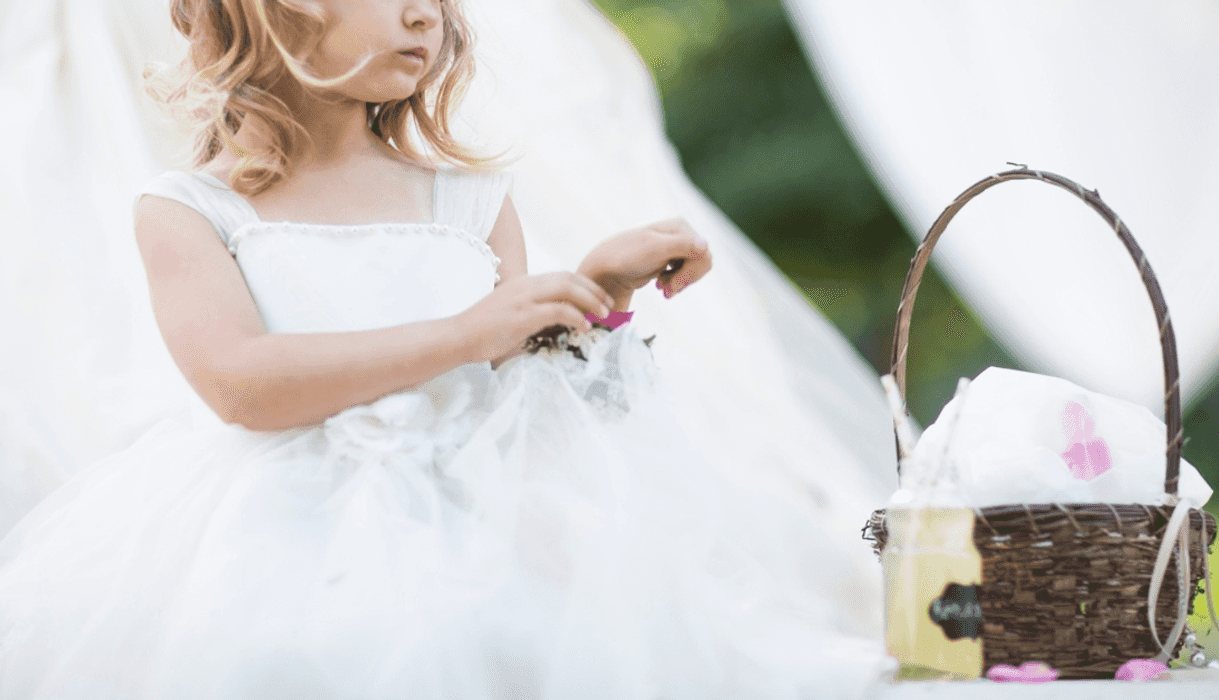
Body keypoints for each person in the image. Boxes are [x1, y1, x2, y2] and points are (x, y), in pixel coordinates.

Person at [0, 0, 892, 697]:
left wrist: (595, 289)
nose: (427, 16)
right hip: (285, 539)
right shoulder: (192, 209)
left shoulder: (468, 198)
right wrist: (468, 331)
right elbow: (240, 386)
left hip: (488, 514)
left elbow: (527, 383)